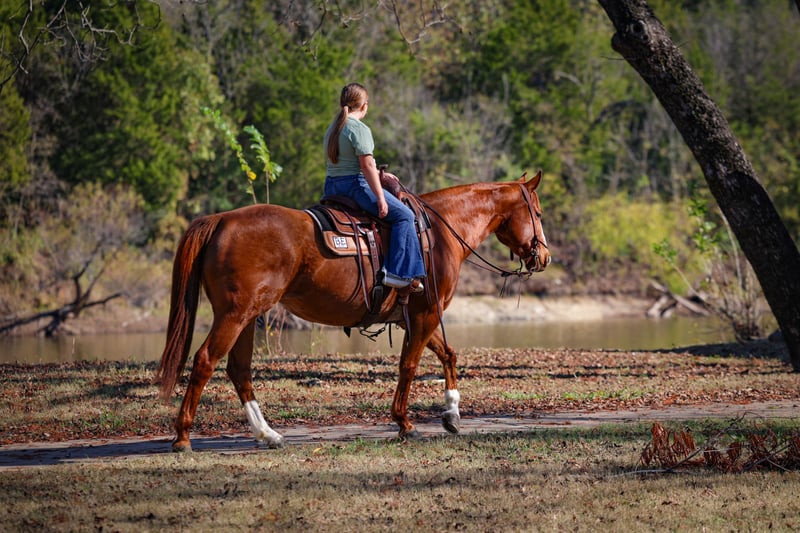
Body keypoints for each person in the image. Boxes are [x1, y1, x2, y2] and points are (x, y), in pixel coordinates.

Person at [323, 82, 425, 292]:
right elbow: (366, 165)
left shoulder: (333, 128)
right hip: (355, 187)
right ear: (364, 106)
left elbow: (349, 162)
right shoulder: (358, 128)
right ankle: (397, 273)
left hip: (332, 187)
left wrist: (380, 174)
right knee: (405, 216)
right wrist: (380, 197)